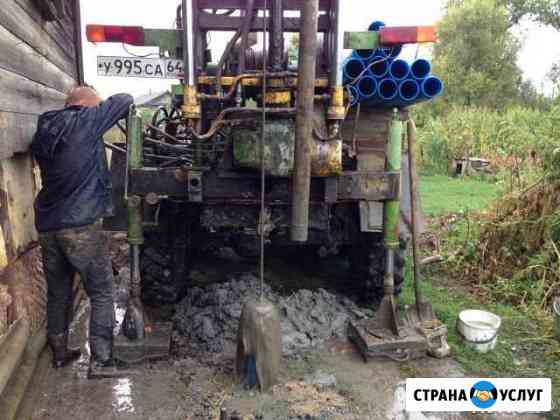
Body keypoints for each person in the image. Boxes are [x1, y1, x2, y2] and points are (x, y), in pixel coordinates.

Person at [31, 87, 133, 378]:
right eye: (95, 105)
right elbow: (125, 99)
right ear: (84, 105)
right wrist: (99, 107)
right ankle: (102, 361)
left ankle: (60, 352)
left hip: (49, 226)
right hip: (81, 225)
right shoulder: (86, 120)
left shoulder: (45, 129)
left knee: (59, 291)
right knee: (101, 291)